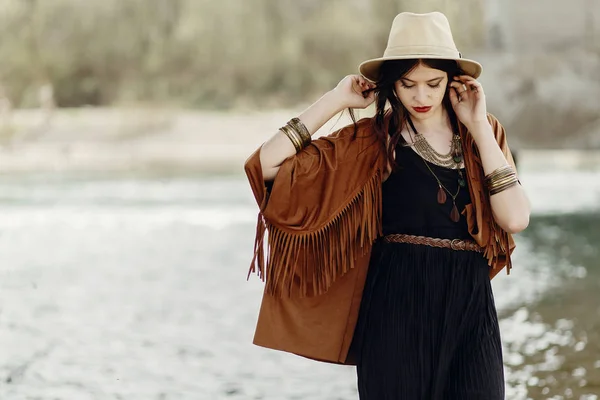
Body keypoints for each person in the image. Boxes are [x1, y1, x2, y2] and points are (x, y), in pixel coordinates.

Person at [244, 11, 530, 399]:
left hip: (470, 308)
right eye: (407, 84)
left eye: (433, 83)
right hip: (396, 305)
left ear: (453, 80)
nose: (421, 96)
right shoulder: (371, 141)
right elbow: (268, 164)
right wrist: (336, 100)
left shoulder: (486, 132)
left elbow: (515, 217)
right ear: (392, 85)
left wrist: (477, 124)